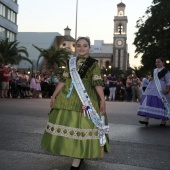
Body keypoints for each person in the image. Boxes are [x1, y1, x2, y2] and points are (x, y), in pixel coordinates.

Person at [41, 37, 110, 170]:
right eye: (78, 45)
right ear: (75, 47)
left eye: (85, 45)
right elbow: (63, 79)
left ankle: (77, 158)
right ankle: (76, 153)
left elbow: (97, 83)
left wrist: (102, 100)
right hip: (68, 96)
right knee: (69, 123)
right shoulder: (70, 62)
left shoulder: (93, 64)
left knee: (83, 125)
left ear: (89, 47)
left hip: (86, 97)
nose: (81, 48)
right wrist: (54, 95)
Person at [138, 57, 170, 126]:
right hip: (152, 87)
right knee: (149, 101)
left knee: (162, 103)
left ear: (163, 63)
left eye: (158, 62)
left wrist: (167, 89)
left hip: (161, 88)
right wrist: (151, 78)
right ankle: (146, 119)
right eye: (156, 62)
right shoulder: (155, 70)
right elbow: (155, 78)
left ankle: (163, 120)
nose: (157, 63)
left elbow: (168, 82)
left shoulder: (166, 71)